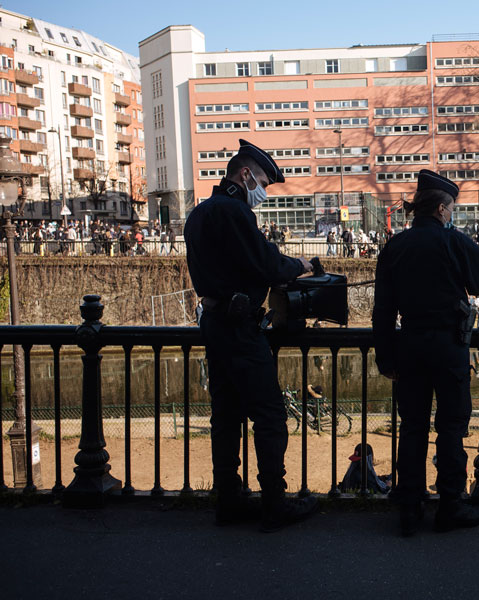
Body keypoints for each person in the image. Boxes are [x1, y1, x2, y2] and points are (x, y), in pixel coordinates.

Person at [184, 139, 318, 532]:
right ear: (244, 175)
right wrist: (302, 265)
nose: (262, 190)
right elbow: (265, 263)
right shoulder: (235, 212)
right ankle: (274, 503)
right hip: (240, 328)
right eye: (261, 181)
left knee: (225, 416)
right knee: (270, 415)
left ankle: (229, 499)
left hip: (213, 322)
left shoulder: (200, 213)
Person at [372, 169, 479, 536]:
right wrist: (456, 239)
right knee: (451, 428)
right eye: (451, 209)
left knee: (412, 428)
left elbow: (383, 311)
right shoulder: (453, 243)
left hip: (409, 346)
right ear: (442, 209)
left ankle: (410, 507)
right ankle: (450, 505)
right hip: (449, 346)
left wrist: (385, 359)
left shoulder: (394, 247)